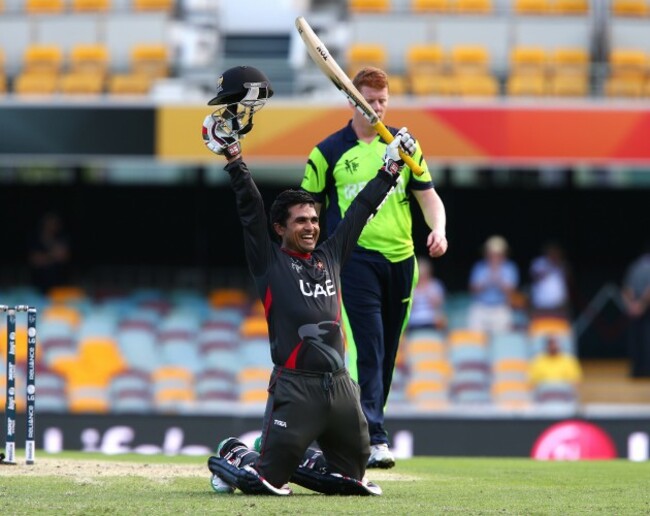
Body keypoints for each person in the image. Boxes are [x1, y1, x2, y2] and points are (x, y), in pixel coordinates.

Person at [201, 65, 418, 496]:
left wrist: (391, 169)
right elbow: (249, 209)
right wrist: (234, 160)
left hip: (340, 390)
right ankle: (233, 452)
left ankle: (301, 457)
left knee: (355, 482)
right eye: (301, 220)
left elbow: (358, 213)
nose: (312, 226)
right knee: (264, 483)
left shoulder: (331, 255)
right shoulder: (268, 262)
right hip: (295, 388)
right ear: (279, 228)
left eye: (315, 219)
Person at [300, 66, 448, 468]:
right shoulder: (328, 151)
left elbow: (429, 197)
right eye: (371, 101)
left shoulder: (404, 145)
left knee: (386, 354)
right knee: (369, 346)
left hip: (402, 259)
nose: (379, 108)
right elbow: (306, 207)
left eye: (384, 101)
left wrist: (440, 230)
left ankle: (362, 429)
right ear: (354, 100)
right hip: (354, 258)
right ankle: (375, 437)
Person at [467, 235, 519, 333]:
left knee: (502, 340)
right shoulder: (479, 267)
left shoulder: (509, 268)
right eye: (491, 253)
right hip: (480, 307)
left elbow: (511, 291)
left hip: (501, 308)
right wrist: (488, 279)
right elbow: (473, 290)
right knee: (475, 338)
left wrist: (498, 278)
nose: (494, 257)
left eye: (497, 254)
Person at [621, 246, 650, 378]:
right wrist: (642, 305)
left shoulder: (634, 266)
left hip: (635, 307)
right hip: (645, 307)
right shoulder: (641, 267)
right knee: (645, 338)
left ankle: (636, 370)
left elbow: (627, 289)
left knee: (636, 339)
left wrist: (631, 305)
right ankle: (644, 369)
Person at [27, 212, 71, 294]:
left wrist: (45, 257)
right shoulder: (35, 239)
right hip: (38, 285)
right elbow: (35, 261)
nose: (52, 226)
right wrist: (53, 255)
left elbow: (63, 257)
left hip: (59, 285)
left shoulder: (62, 238)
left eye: (55, 223)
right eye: (50, 223)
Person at [529, 242, 570, 319]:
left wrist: (561, 266)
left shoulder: (561, 264)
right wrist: (550, 266)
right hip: (542, 305)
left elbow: (568, 281)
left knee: (559, 327)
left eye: (557, 253)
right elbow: (535, 278)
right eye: (552, 252)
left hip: (559, 305)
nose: (554, 255)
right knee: (541, 327)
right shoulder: (539, 263)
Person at [407, 256, 447, 332]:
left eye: (424, 274)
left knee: (442, 319)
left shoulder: (435, 285)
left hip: (432, 320)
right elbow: (407, 307)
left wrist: (427, 292)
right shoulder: (410, 287)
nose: (422, 277)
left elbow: (439, 304)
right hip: (414, 321)